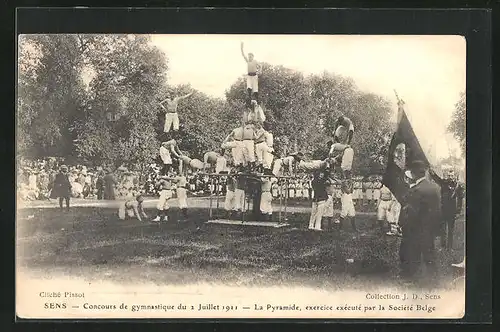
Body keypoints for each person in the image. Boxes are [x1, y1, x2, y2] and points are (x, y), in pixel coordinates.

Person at [399, 160, 441, 284]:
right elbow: (438, 210)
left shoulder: (416, 190)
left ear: (415, 174)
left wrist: (404, 226)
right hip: (430, 227)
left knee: (412, 252)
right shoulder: (435, 187)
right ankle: (433, 279)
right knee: (429, 253)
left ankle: (409, 278)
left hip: (416, 228)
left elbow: (412, 213)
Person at [429, 168, 459, 251]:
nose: (450, 177)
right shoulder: (444, 183)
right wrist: (432, 173)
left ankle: (450, 247)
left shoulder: (458, 185)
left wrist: (458, 211)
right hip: (444, 210)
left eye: (452, 175)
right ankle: (442, 246)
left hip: (452, 211)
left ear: (454, 176)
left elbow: (459, 198)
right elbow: (437, 179)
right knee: (443, 229)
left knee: (451, 230)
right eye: (449, 175)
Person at [308, 165, 331, 231]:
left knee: (313, 213)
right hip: (321, 199)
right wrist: (327, 166)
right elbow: (327, 174)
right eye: (321, 174)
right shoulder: (322, 181)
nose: (322, 175)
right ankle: (317, 226)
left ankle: (311, 225)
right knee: (319, 214)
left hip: (315, 198)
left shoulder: (313, 181)